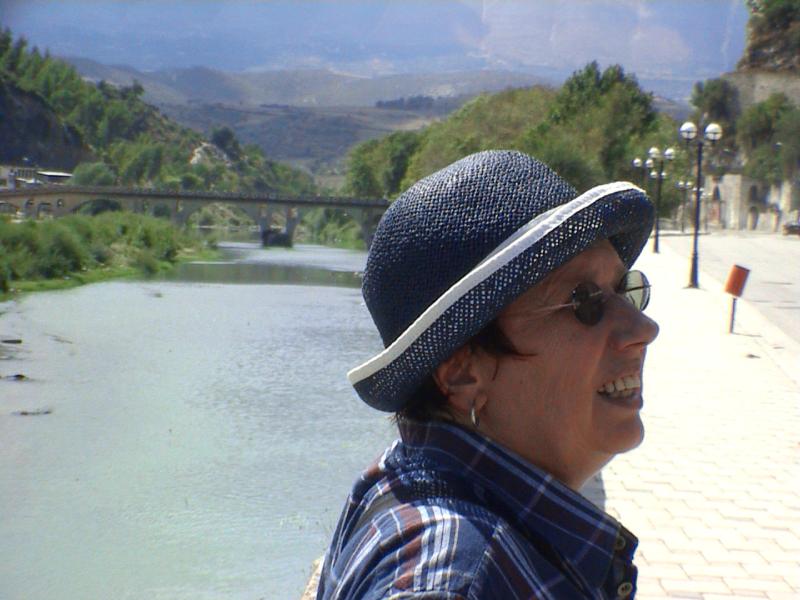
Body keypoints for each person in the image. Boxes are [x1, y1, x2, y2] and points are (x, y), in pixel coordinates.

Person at [316, 150, 659, 599]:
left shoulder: (405, 477)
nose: (644, 329)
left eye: (623, 289)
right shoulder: (453, 578)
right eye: (584, 301)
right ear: (462, 372)